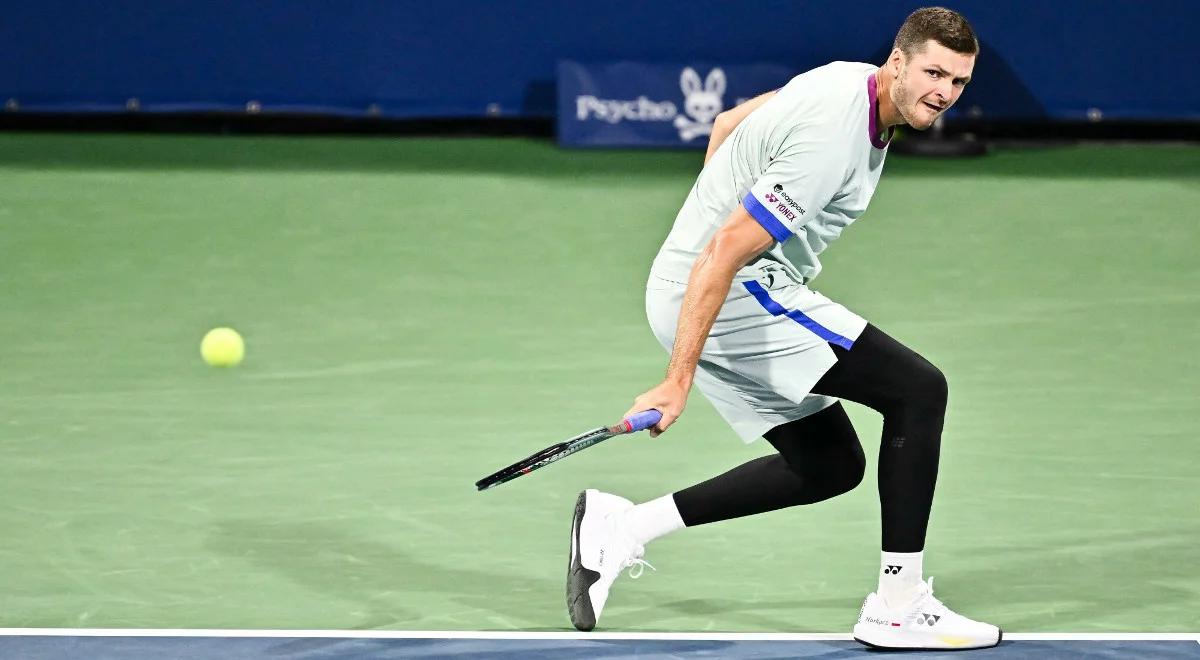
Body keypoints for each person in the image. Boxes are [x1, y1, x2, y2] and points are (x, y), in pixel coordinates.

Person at [565, 6, 1001, 651]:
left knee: (828, 466)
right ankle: (898, 604)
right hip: (733, 290)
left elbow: (730, 123)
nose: (944, 93)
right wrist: (676, 380)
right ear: (898, 62)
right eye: (934, 73)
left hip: (697, 286)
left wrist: (712, 210)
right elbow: (722, 254)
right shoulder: (834, 139)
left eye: (959, 83)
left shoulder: (849, 77)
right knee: (917, 389)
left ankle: (622, 525)